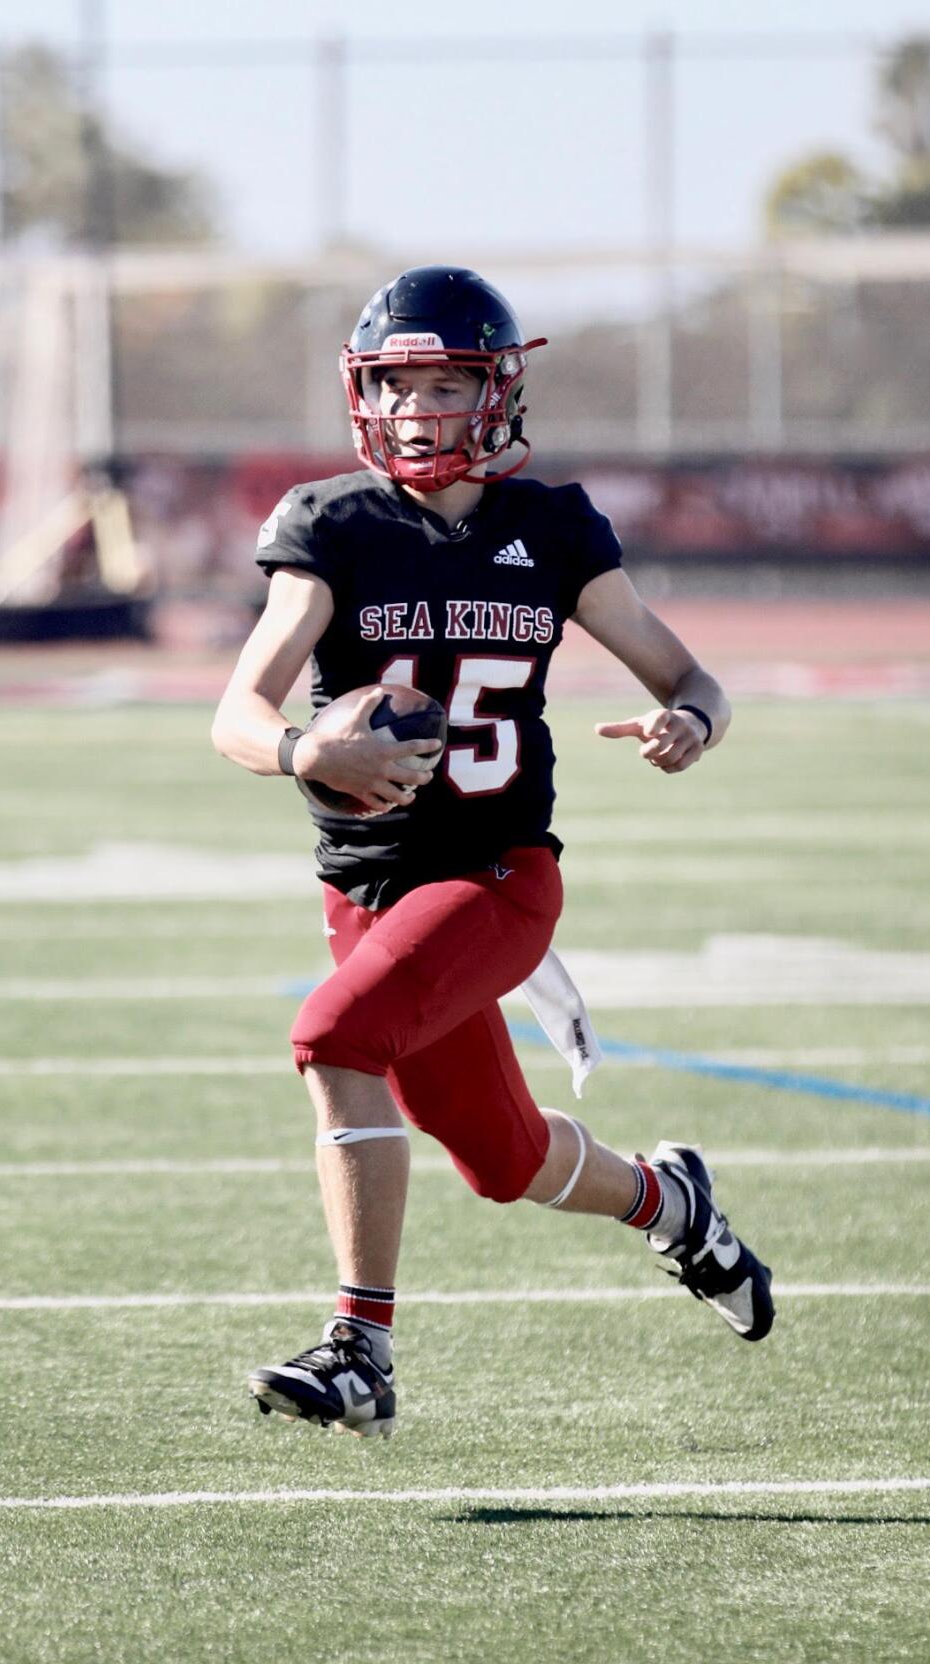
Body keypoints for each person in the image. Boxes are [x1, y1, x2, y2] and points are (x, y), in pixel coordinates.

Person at [211, 266, 774, 1440]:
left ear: (499, 388)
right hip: (370, 889)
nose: (419, 408)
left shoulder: (554, 529)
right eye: (397, 383)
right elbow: (237, 714)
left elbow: (694, 676)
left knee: (331, 1035)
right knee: (502, 1159)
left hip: (501, 874)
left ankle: (360, 1350)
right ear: (365, 396)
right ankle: (679, 1210)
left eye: (447, 380)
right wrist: (311, 749)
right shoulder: (332, 525)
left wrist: (692, 722)